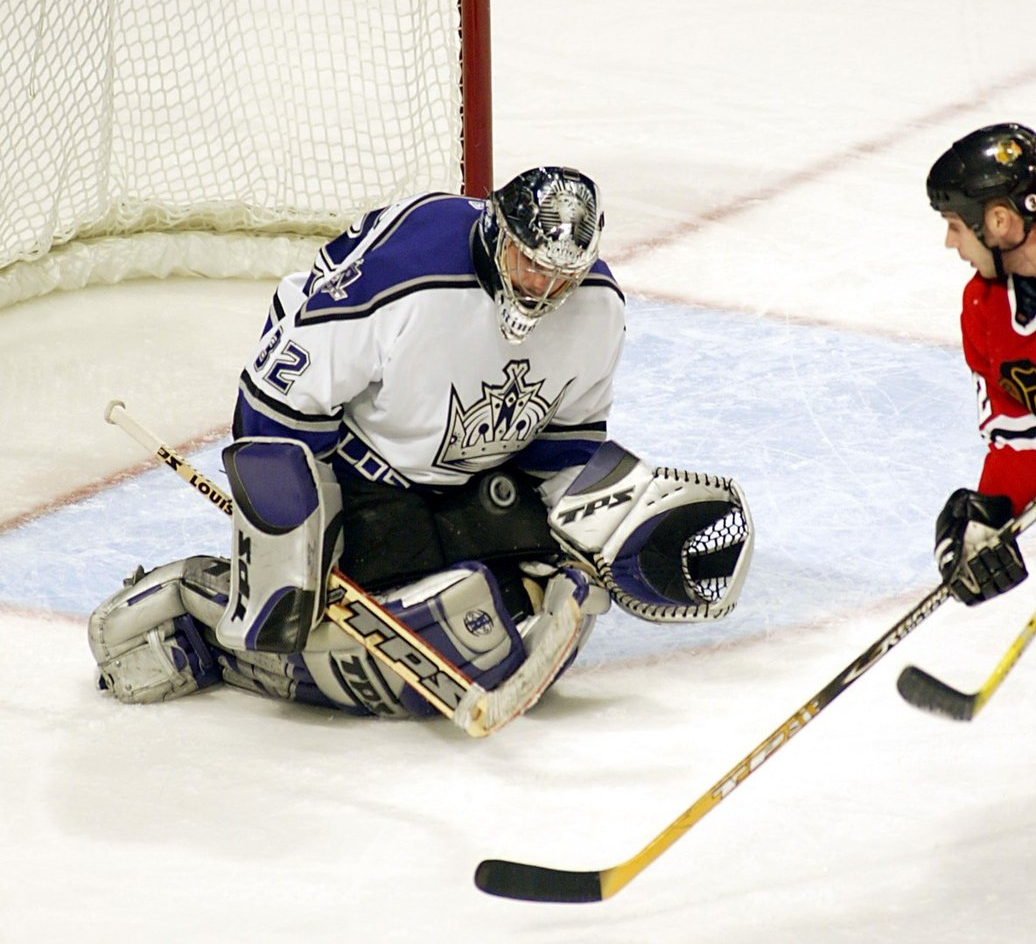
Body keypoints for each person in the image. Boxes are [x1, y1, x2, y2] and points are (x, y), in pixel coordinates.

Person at [87, 167, 754, 723]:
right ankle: (199, 616)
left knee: (512, 624)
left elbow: (564, 446)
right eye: (529, 264)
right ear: (497, 231)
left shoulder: (597, 307)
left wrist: (586, 548)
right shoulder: (407, 280)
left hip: (476, 478)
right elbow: (275, 402)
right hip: (360, 472)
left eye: (561, 277)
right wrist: (290, 547)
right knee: (415, 654)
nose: (542, 290)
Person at [925, 122, 1036, 605]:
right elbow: (1023, 439)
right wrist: (992, 515)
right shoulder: (984, 311)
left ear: (998, 221)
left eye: (956, 225)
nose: (951, 244)